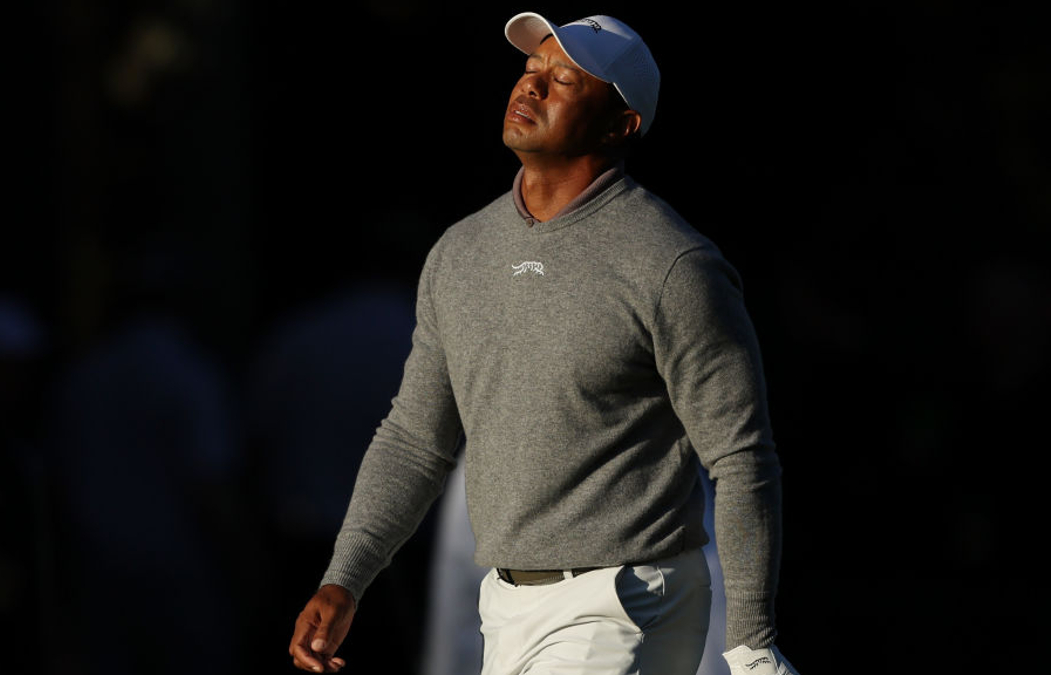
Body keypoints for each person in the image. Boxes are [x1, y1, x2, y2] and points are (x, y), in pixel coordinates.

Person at [289, 12, 799, 675]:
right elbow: (415, 437)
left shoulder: (673, 265)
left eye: (563, 79)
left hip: (626, 605)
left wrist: (752, 642)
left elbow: (741, 456)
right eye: (531, 70)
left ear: (622, 125)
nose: (533, 87)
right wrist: (345, 576)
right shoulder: (460, 254)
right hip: (503, 606)